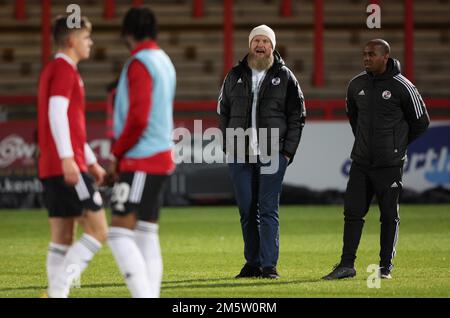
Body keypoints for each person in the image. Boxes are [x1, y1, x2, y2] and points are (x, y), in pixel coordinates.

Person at [322, 39, 430, 280]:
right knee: (352, 212)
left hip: (389, 165)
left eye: (371, 54)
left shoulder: (403, 87)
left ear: (385, 56)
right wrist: (364, 144)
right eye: (364, 54)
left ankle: (385, 268)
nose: (366, 58)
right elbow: (354, 119)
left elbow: (421, 122)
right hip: (361, 162)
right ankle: (346, 265)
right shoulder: (356, 84)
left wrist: (395, 147)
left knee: (388, 215)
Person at [218, 25, 306, 279]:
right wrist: (228, 145)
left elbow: (297, 116)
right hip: (239, 154)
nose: (260, 44)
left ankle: (269, 266)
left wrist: (287, 152)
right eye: (256, 40)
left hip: (273, 154)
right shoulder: (233, 75)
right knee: (247, 208)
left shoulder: (286, 77)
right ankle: (252, 263)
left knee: (268, 208)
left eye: (265, 40)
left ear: (272, 46)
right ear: (249, 45)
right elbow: (222, 112)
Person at [106, 7, 176, 298]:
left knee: (119, 232)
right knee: (146, 233)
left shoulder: (139, 63)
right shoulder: (164, 60)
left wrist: (117, 153)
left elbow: (137, 118)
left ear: (127, 33)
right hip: (160, 156)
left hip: (140, 157)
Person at [37, 16, 108, 298]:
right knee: (99, 231)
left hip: (53, 165)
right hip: (66, 166)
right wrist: (70, 159)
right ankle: (57, 289)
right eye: (86, 37)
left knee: (62, 238)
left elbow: (70, 124)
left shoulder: (53, 70)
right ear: (70, 41)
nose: (90, 42)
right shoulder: (65, 70)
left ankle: (57, 295)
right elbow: (56, 113)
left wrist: (90, 160)